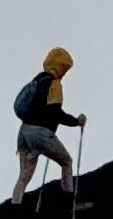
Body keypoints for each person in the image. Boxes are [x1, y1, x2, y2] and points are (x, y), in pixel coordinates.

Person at [10, 50, 87, 210]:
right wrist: (76, 122)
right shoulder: (54, 83)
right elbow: (55, 112)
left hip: (24, 131)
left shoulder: (36, 81)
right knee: (67, 162)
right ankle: (70, 203)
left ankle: (14, 214)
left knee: (24, 176)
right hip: (41, 133)